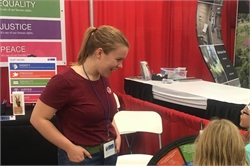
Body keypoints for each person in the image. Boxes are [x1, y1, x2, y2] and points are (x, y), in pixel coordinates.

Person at [30, 25, 129, 165]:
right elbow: (38, 118)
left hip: (109, 154)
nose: (120, 66)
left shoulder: (103, 76)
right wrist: (69, 148)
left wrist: (116, 133)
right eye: (118, 59)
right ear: (99, 53)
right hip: (83, 158)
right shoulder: (64, 81)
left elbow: (106, 113)